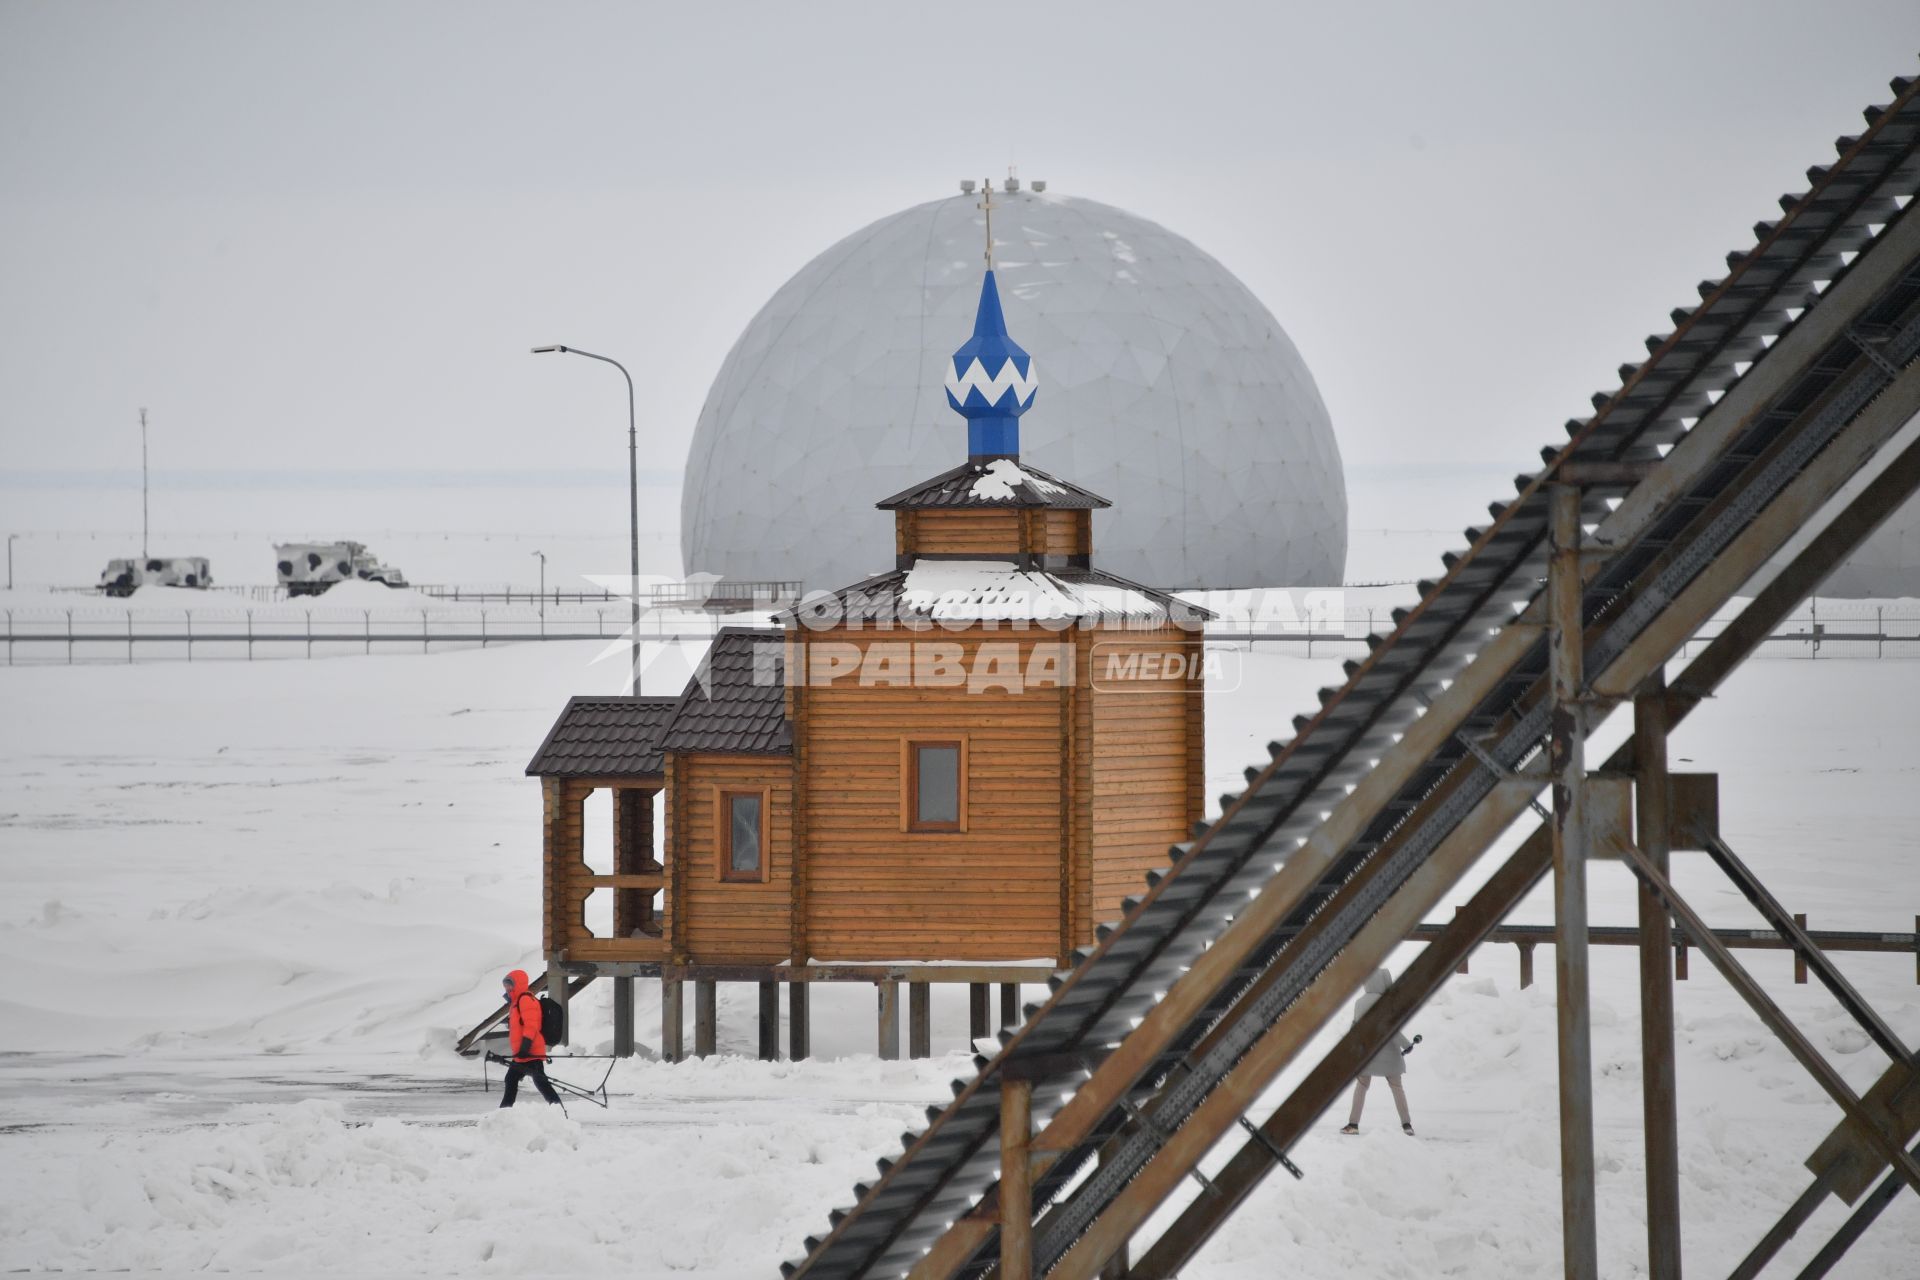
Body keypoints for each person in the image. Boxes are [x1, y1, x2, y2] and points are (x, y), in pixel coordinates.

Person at [1340, 967, 1414, 1135]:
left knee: (1361, 1086)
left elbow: (1355, 1029)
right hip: (1390, 1056)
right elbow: (1392, 1030)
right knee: (1397, 1087)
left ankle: (1353, 1124)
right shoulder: (1389, 1003)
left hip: (1367, 1055)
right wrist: (1407, 1045)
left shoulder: (1359, 1003)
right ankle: (1406, 1125)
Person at [498, 969, 561, 1107]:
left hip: (531, 1052)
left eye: (509, 984)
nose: (507, 988)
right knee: (512, 1079)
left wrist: (525, 1046)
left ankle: (558, 1110)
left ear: (518, 984)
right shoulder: (516, 1003)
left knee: (540, 1083)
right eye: (505, 985)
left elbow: (532, 1026)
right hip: (523, 1053)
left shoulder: (526, 999)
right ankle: (504, 1112)